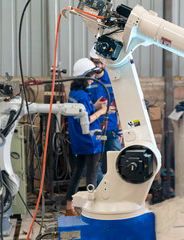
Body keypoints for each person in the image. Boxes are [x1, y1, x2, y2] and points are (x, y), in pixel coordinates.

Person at [65, 58, 109, 216]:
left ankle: (69, 207)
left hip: (80, 143)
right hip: (91, 142)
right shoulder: (83, 96)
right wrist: (101, 112)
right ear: (84, 77)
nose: (94, 78)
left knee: (77, 174)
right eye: (91, 75)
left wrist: (96, 105)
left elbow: (84, 111)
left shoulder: (75, 93)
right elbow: (88, 119)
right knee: (92, 177)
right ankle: (92, 212)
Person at [88, 47, 122, 185]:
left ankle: (117, 194)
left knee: (118, 163)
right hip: (95, 131)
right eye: (96, 62)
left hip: (112, 130)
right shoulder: (88, 81)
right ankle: (102, 194)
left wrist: (121, 129)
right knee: (97, 166)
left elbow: (121, 105)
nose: (99, 66)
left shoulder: (113, 79)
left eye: (101, 62)